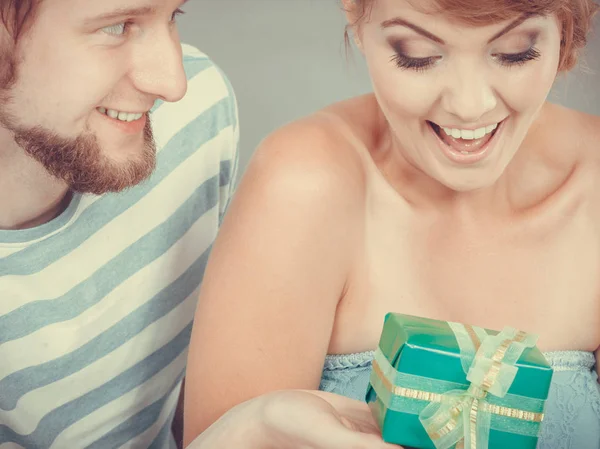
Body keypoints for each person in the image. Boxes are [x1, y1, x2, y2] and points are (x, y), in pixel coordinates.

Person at [184, 0, 600, 447]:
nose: (469, 104)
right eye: (417, 53)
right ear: (356, 18)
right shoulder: (304, 182)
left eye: (516, 51)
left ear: (566, 27)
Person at [0, 1, 401, 448]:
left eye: (173, 16)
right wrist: (249, 429)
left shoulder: (191, 118)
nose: (173, 82)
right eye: (116, 27)